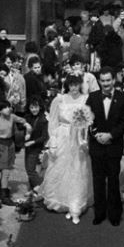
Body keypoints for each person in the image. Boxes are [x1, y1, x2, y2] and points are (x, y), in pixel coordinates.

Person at [40, 74, 93, 223]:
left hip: (78, 139)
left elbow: (87, 122)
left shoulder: (85, 99)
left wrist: (83, 139)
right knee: (59, 167)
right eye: (72, 85)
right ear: (67, 85)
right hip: (63, 136)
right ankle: (59, 200)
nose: (74, 88)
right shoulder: (59, 99)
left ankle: (75, 203)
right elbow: (53, 122)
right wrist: (53, 141)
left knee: (77, 170)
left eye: (77, 85)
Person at [87, 67, 124, 226]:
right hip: (96, 145)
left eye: (108, 80)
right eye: (102, 80)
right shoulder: (92, 97)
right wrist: (97, 135)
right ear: (99, 81)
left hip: (114, 145)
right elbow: (87, 119)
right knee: (98, 181)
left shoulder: (123, 98)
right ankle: (99, 213)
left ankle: (114, 215)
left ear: (113, 80)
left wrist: (110, 135)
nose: (105, 84)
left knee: (113, 181)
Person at [0, 104, 30, 204]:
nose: (8, 109)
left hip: (10, 144)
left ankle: (2, 189)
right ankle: (4, 195)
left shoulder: (12, 117)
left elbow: (22, 120)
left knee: (7, 168)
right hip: (0, 145)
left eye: (9, 107)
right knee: (5, 170)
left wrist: (26, 125)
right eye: (5, 107)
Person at [23, 98, 50, 193]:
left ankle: (43, 188)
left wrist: (33, 142)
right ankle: (33, 189)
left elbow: (44, 136)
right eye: (31, 107)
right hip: (28, 147)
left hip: (35, 147)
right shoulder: (27, 117)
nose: (34, 109)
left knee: (31, 170)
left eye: (36, 107)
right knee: (28, 169)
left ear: (40, 107)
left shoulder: (43, 119)